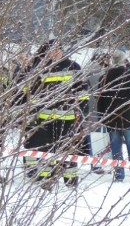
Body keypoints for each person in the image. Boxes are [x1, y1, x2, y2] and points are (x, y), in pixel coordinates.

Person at [22, 40, 87, 188]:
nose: (54, 52)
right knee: (46, 150)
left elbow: (83, 92)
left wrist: (81, 114)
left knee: (67, 150)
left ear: (62, 51)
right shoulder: (41, 69)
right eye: (51, 50)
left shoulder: (73, 67)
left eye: (57, 49)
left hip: (67, 117)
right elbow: (32, 94)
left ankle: (70, 180)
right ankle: (46, 181)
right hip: (45, 118)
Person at [99, 51, 130, 184]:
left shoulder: (104, 78)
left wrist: (104, 117)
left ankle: (119, 175)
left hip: (112, 119)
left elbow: (100, 100)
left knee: (116, 149)